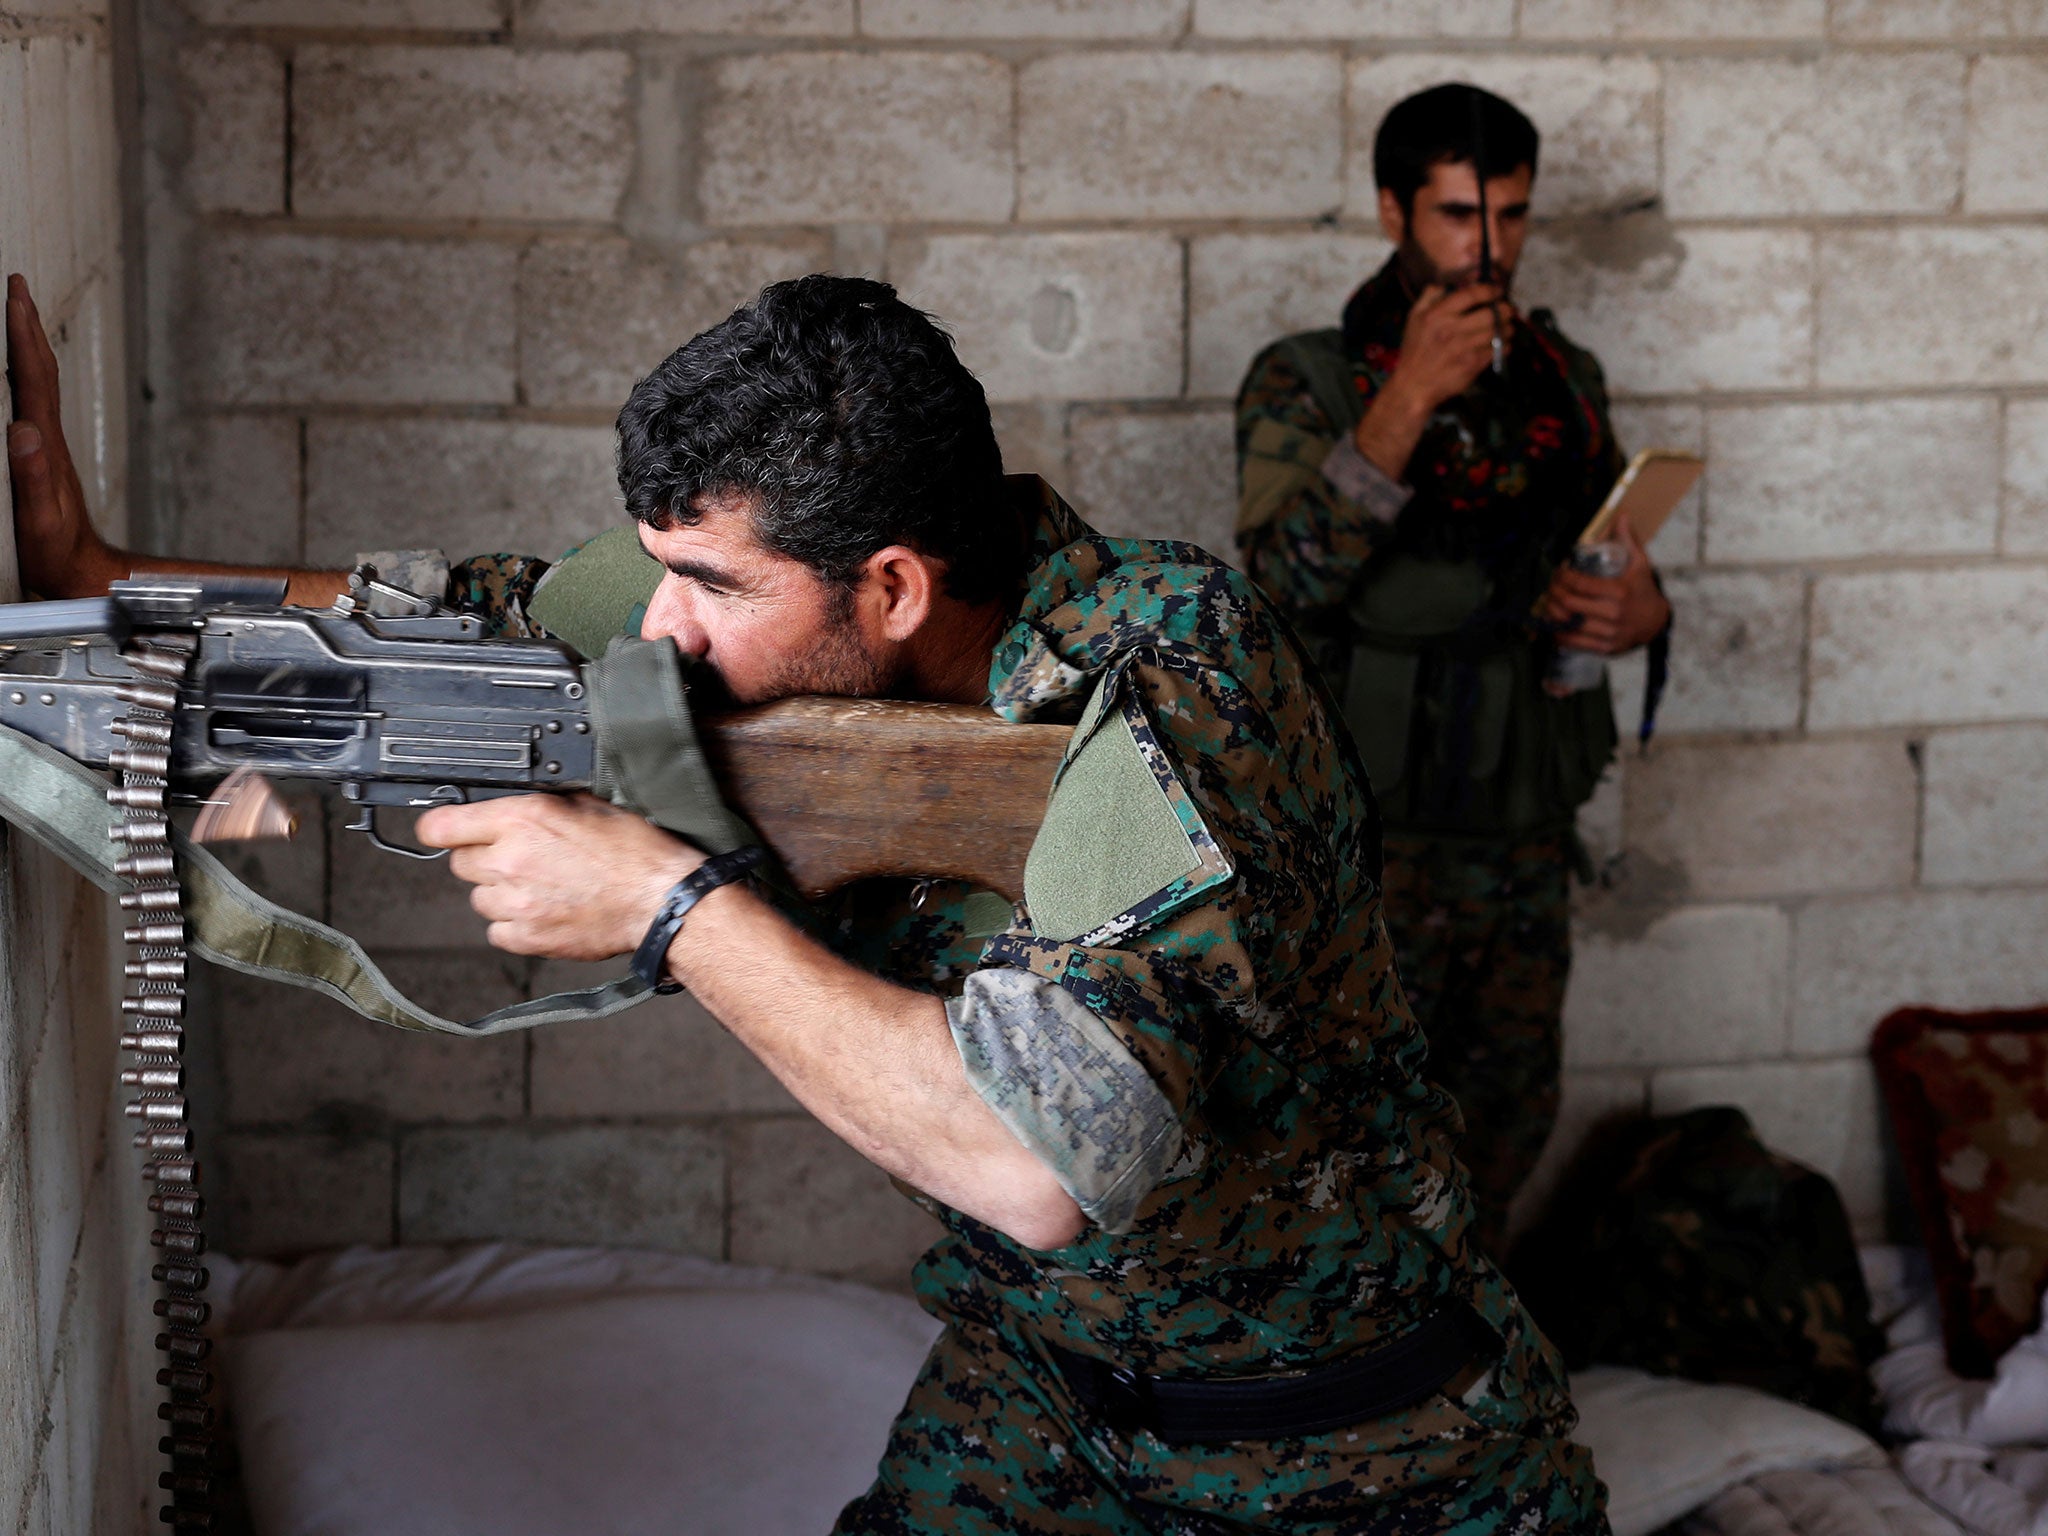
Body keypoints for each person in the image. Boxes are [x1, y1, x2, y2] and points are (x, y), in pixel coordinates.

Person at [7, 270, 1607, 1532]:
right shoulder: (740, 584)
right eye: (661, 568)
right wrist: (101, 576)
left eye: (710, 587)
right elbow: (447, 623)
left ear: (895, 586)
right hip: (1039, 1399)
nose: (664, 630)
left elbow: (1038, 1167)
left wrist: (670, 906)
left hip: (1356, 1454)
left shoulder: (1172, 679)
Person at [1234, 85, 1672, 1257]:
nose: (1488, 249)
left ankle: (1468, 1373)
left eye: (1512, 217)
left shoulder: (1561, 382)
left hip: (1522, 830)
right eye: (1457, 216)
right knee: (1345, 1129)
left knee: (1506, 1122)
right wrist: (1406, 401)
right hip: (1371, 839)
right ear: (1392, 211)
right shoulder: (1310, 378)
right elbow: (1279, 582)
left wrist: (1634, 610)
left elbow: (1614, 552)